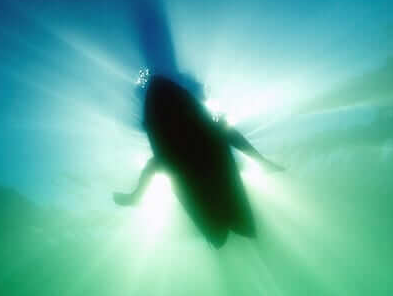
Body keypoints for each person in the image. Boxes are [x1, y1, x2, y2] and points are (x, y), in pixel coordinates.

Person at [113, 73, 284, 247]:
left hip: (201, 191)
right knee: (237, 226)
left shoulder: (163, 127)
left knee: (221, 232)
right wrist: (261, 161)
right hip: (217, 178)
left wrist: (136, 196)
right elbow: (230, 134)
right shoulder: (207, 125)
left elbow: (153, 165)